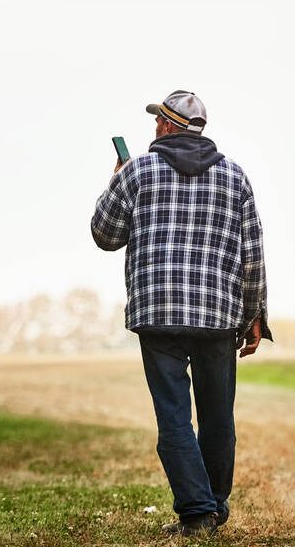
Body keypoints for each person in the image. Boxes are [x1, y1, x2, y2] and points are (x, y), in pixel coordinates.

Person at [91, 90, 272, 538]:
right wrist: (255, 315)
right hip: (217, 316)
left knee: (173, 416)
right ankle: (215, 505)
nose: (154, 127)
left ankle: (197, 513)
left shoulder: (138, 171)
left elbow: (104, 234)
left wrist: (117, 180)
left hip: (158, 314)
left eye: (157, 122)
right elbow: (253, 256)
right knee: (217, 416)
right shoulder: (235, 178)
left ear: (168, 126)